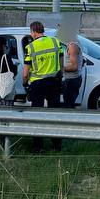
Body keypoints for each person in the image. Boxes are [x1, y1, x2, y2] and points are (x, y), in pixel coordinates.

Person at [23, 20, 64, 150]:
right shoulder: (55, 41)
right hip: (54, 81)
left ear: (34, 32)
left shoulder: (31, 47)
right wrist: (60, 75)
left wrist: (25, 83)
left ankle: (37, 146)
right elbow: (61, 62)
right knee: (54, 114)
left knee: (37, 115)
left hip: (37, 84)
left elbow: (25, 73)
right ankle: (57, 144)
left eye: (31, 32)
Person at [61, 40, 83, 109]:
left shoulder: (72, 47)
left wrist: (59, 69)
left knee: (68, 106)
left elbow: (74, 67)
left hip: (70, 81)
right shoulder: (72, 44)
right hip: (71, 80)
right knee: (69, 104)